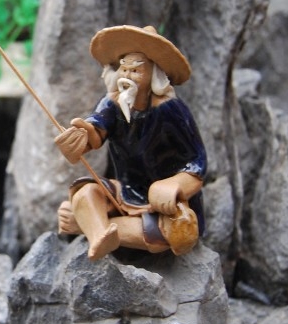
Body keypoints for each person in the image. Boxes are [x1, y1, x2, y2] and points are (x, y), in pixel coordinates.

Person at [54, 25, 206, 260]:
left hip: (164, 204)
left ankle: (89, 225)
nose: (126, 76)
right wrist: (79, 139)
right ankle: (99, 236)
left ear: (154, 74)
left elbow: (198, 160)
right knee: (85, 193)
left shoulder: (170, 109)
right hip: (126, 190)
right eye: (124, 69)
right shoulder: (113, 102)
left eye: (136, 71)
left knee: (171, 234)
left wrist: (174, 184)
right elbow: (96, 129)